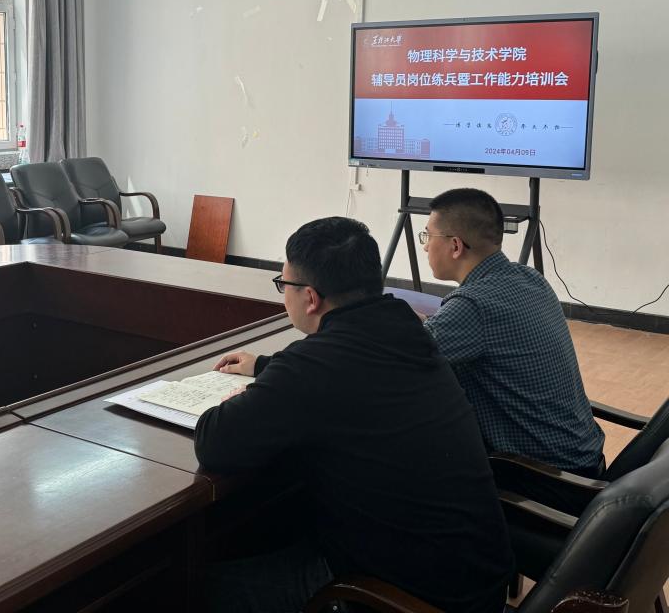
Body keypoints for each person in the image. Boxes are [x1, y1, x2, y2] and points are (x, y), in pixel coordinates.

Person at [196, 217, 513, 613]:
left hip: (402, 597)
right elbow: (352, 373)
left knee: (193, 588)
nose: (283, 294)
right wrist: (270, 368)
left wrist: (249, 395)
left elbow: (215, 442)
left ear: (310, 298)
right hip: (476, 582)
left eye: (283, 284)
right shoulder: (407, 327)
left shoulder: (314, 365)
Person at [420, 187, 605, 478]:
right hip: (584, 459)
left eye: (427, 236)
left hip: (545, 478)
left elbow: (403, 357)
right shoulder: (529, 277)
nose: (425, 246)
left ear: (455, 246)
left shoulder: (473, 306)